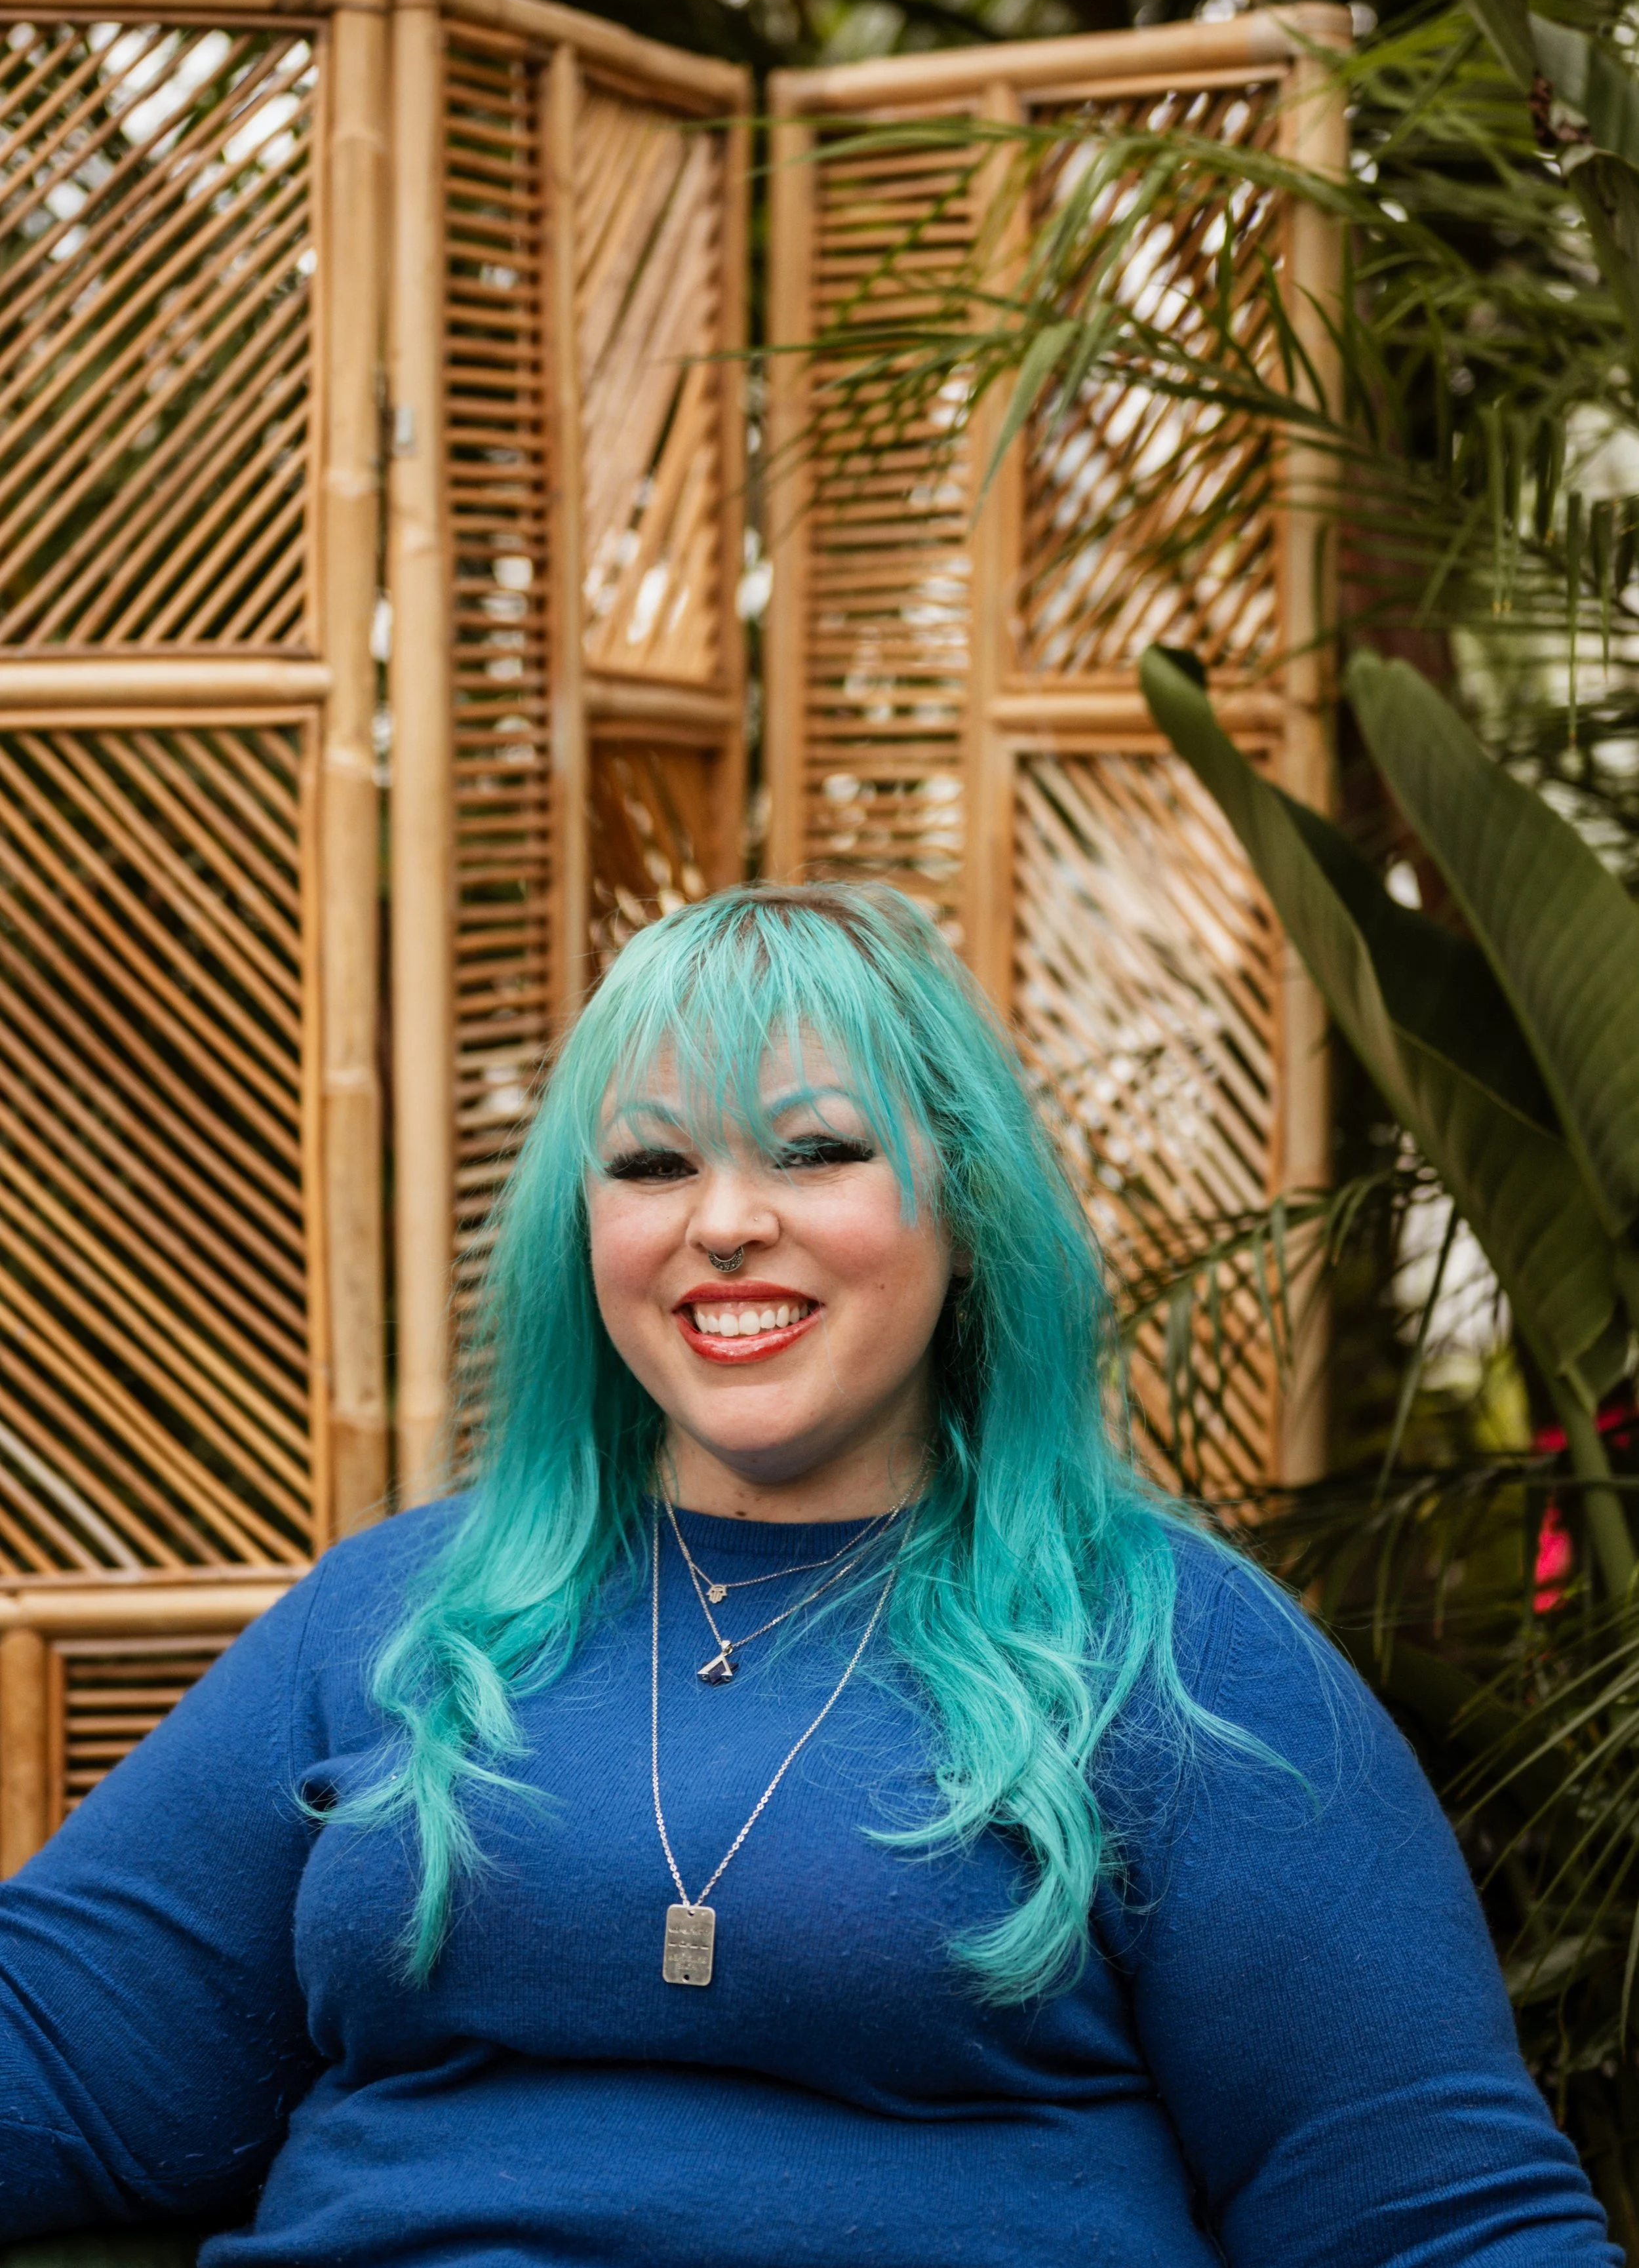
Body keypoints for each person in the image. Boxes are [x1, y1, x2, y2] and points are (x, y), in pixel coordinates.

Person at [0, 882, 1616, 2268]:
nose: (723, 1223)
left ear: (964, 1210)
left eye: (815, 1150)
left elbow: (1428, 2213)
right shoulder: (394, 1617)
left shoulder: (1174, 1654)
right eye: (651, 1165)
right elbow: (67, 2048)